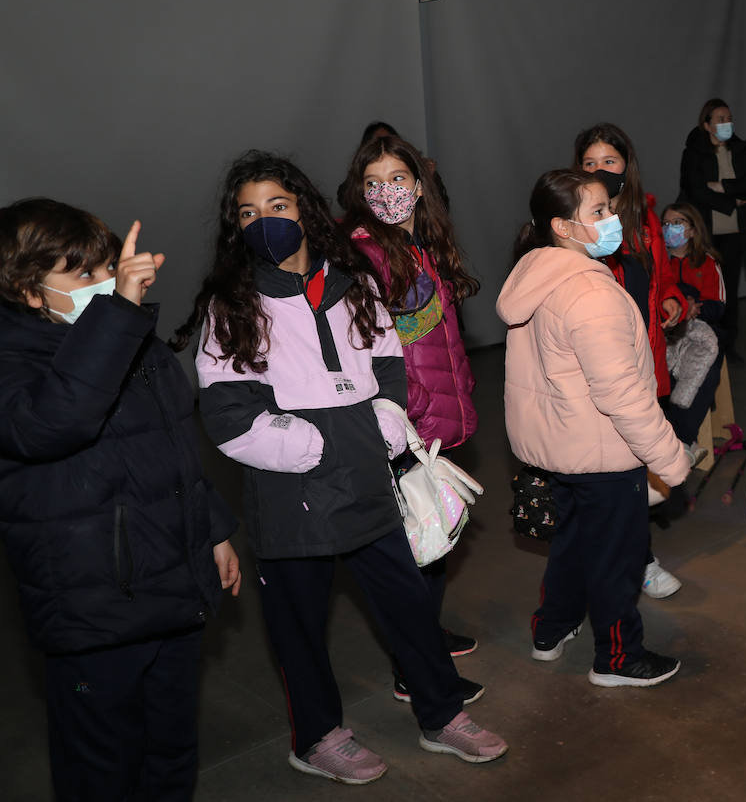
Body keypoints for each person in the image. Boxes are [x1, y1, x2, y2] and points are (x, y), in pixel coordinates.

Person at [175, 152, 505, 785]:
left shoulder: (354, 283)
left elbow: (387, 361)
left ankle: (442, 713)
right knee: (298, 627)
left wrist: (383, 423)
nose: (264, 221)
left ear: (304, 210)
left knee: (409, 605)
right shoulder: (233, 304)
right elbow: (227, 413)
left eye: (277, 206)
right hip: (291, 493)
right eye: (248, 212)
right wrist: (311, 446)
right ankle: (317, 737)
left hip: (367, 478)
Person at [0, 200, 240, 802]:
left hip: (171, 586)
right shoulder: (13, 356)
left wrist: (213, 528)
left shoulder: (130, 340)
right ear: (28, 290)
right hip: (92, 608)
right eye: (83, 273)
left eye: (107, 267)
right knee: (101, 763)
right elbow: (53, 423)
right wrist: (117, 315)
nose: (107, 282)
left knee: (170, 746)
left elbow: (174, 444)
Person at [497, 169, 691, 688]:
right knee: (616, 560)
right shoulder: (590, 292)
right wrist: (670, 458)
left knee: (572, 545)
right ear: (563, 226)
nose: (612, 219)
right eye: (599, 212)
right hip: (604, 452)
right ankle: (618, 658)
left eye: (609, 208)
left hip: (561, 447)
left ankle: (550, 630)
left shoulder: (536, 273)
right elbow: (621, 394)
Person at [337, 134, 483, 697]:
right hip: (407, 424)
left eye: (397, 179)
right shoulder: (364, 253)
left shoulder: (419, 242)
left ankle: (424, 637)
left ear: (420, 187)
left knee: (431, 536)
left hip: (435, 416)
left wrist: (460, 387)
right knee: (412, 547)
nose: (386, 193)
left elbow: (437, 335)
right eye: (372, 183)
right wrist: (415, 409)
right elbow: (371, 353)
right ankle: (415, 669)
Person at [575, 123, 686, 599]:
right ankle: (609, 570)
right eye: (589, 163)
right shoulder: (577, 228)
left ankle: (637, 558)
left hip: (645, 363)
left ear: (627, 166)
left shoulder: (644, 220)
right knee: (608, 477)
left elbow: (659, 279)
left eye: (609, 161)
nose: (600, 170)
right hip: (601, 371)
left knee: (638, 471)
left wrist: (673, 298)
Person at [678, 98, 746, 356]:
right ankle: (703, 344)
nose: (727, 123)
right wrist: (732, 201)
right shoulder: (694, 152)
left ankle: (729, 346)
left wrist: (723, 186)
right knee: (704, 291)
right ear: (707, 125)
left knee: (729, 292)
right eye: (720, 119)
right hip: (707, 233)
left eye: (729, 119)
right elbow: (696, 190)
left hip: (735, 233)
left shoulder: (738, 149)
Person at [660, 202, 727, 455]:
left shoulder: (707, 263)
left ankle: (685, 439)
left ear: (692, 229)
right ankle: (668, 437)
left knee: (704, 372)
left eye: (677, 223)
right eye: (665, 224)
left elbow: (718, 307)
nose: (670, 228)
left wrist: (693, 308)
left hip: (702, 332)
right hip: (668, 332)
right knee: (659, 372)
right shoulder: (657, 263)